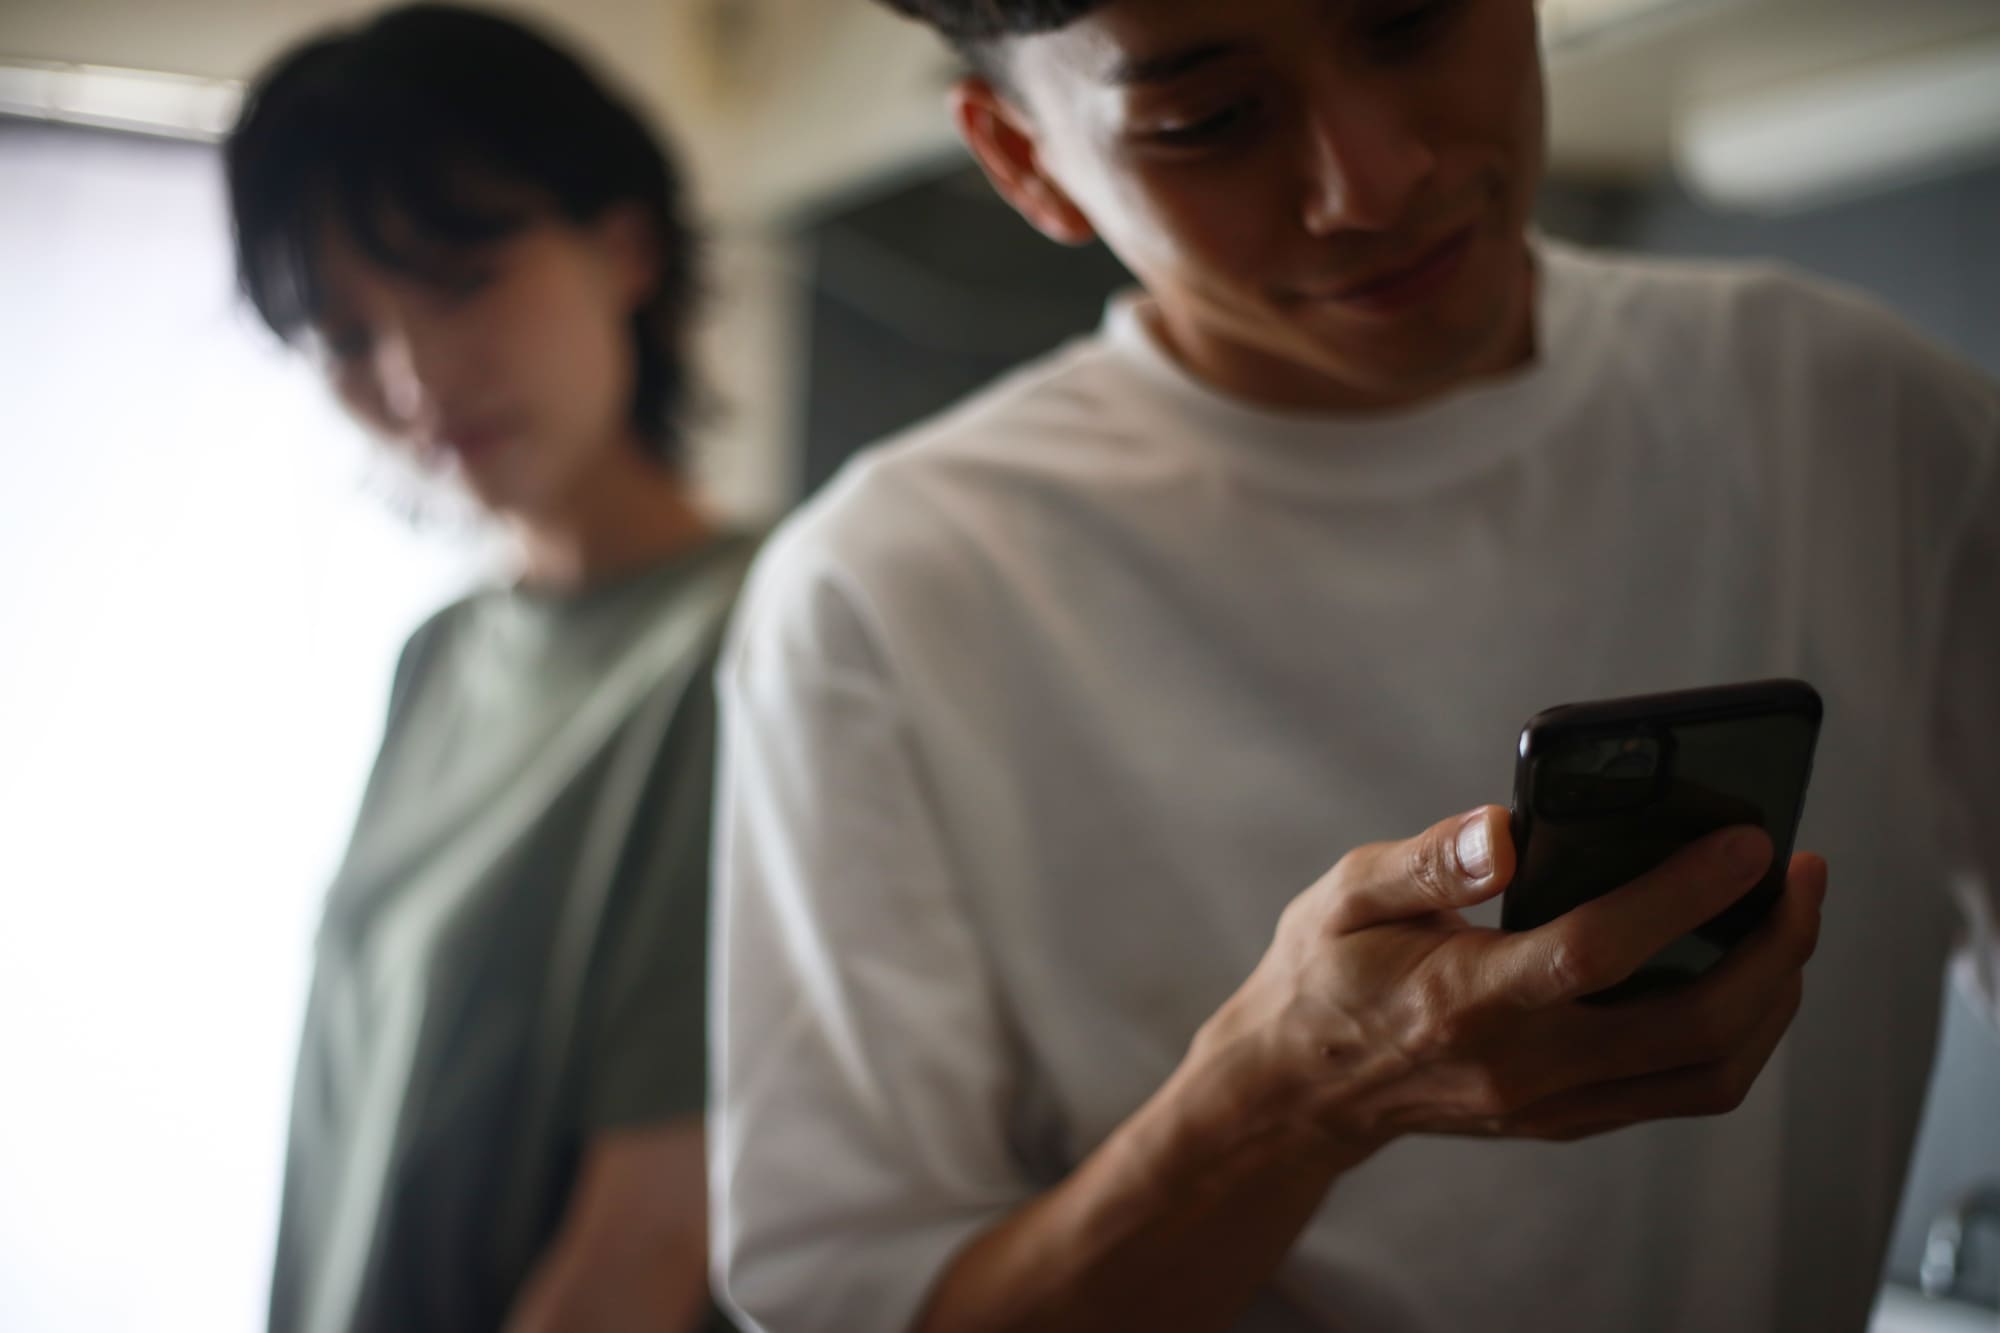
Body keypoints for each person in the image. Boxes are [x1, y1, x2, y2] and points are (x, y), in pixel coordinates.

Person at [708, 1, 2000, 1330]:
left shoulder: (1858, 418)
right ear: (1025, 159)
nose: (1374, 179)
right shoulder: (888, 593)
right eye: (1207, 121)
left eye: (1407, 24)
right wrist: (1286, 1102)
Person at [225, 6, 751, 1330]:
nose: (415, 376)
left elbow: (650, 1236)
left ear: (624, 246)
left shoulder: (758, 637)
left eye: (461, 277)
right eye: (346, 337)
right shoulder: (445, 652)